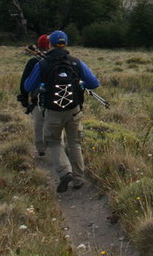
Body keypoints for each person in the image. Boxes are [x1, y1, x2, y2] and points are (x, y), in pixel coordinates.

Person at [24, 30, 100, 193]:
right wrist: (79, 84)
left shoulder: (42, 64)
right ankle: (79, 179)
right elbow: (94, 83)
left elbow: (28, 86)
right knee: (75, 143)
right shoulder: (76, 62)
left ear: (49, 44)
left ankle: (65, 172)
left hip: (52, 111)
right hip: (74, 109)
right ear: (65, 44)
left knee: (54, 142)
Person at [17, 34, 50, 156]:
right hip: (60, 100)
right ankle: (58, 147)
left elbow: (25, 83)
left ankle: (41, 150)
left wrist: (24, 99)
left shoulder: (34, 61)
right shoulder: (64, 60)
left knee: (39, 123)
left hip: (39, 100)